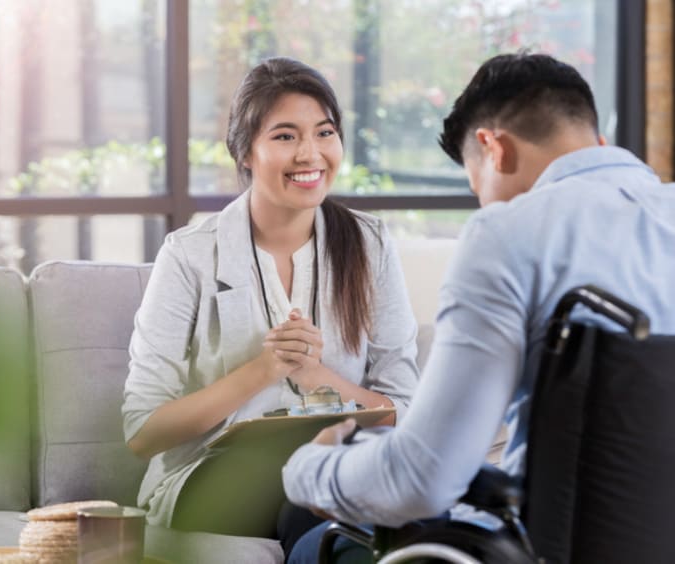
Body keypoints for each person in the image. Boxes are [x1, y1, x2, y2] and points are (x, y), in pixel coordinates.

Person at [282, 51, 675, 563]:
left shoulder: (511, 234)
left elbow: (421, 479)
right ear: (596, 141)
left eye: (478, 188)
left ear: (494, 149)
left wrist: (307, 469)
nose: (485, 205)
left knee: (316, 546)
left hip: (536, 549)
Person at [121, 56, 420, 549]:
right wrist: (263, 369)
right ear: (245, 153)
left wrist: (321, 379)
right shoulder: (190, 255)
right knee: (316, 479)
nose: (310, 154)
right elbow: (142, 433)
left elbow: (401, 410)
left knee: (339, 479)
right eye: (285, 136)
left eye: (324, 133)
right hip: (211, 478)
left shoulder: (370, 244)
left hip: (337, 457)